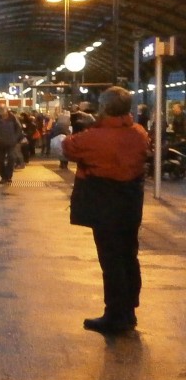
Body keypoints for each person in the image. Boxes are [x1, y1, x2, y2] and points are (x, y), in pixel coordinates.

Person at [61, 86, 148, 335]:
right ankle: (129, 311)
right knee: (129, 257)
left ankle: (114, 317)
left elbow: (68, 146)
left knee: (111, 262)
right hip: (130, 207)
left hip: (104, 207)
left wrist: (91, 126)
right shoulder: (139, 133)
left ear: (104, 108)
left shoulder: (95, 137)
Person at [0, 106, 23, 185]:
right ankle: (3, 177)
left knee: (11, 158)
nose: (0, 111)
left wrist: (16, 138)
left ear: (6, 110)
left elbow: (19, 128)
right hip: (0, 143)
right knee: (0, 160)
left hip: (11, 143)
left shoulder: (13, 118)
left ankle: (8, 176)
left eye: (2, 109)